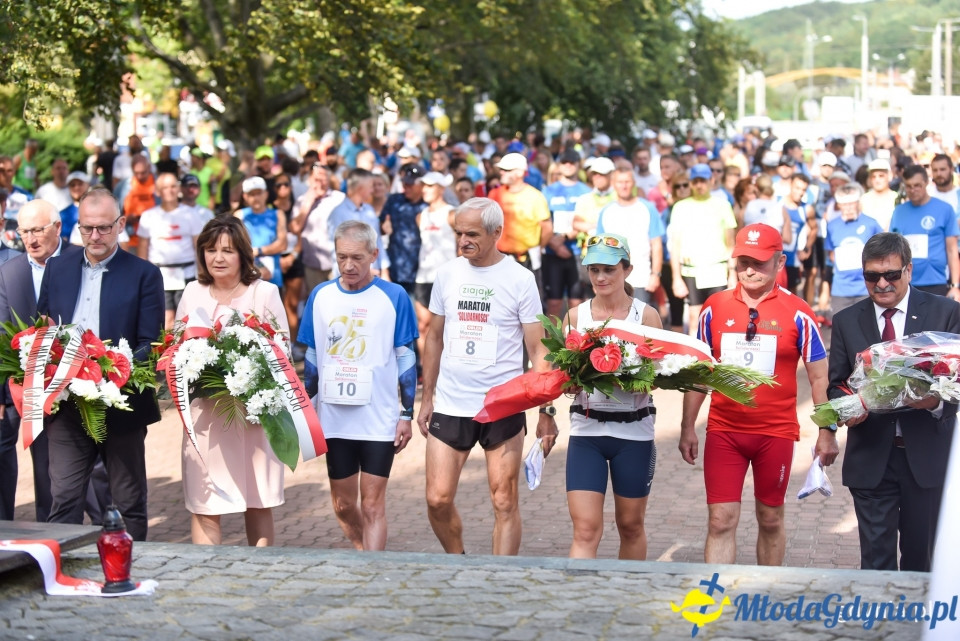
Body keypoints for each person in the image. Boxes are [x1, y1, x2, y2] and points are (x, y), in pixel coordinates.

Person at [678, 223, 829, 566]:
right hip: (724, 431)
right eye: (743, 260)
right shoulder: (713, 308)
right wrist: (688, 426)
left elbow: (819, 377)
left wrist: (826, 430)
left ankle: (765, 600)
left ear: (780, 262)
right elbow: (700, 375)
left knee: (771, 519)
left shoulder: (800, 312)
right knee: (720, 521)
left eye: (760, 262)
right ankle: (714, 603)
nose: (750, 270)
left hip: (774, 433)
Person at [416, 197, 559, 555]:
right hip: (451, 402)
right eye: (458, 233)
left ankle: (499, 579)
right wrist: (428, 397)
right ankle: (458, 561)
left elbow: (538, 349)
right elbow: (433, 337)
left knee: (504, 500)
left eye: (472, 234)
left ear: (497, 233)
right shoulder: (448, 274)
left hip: (503, 405)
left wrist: (546, 412)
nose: (462, 240)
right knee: (437, 498)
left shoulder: (520, 279)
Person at [822, 232, 960, 571]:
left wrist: (933, 402)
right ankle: (879, 622)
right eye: (872, 276)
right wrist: (846, 410)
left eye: (891, 275)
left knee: (921, 559)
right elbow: (837, 383)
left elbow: (956, 382)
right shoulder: (846, 320)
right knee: (876, 562)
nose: (882, 283)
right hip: (871, 457)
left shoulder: (945, 313)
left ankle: (915, 623)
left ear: (909, 270)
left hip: (926, 458)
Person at [37, 187, 164, 541]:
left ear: (121, 224)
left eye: (104, 227)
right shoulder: (57, 268)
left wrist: (108, 374)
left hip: (120, 402)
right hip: (65, 402)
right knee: (63, 498)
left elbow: (149, 345)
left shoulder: (144, 274)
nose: (95, 236)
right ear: (77, 227)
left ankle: (130, 574)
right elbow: (42, 326)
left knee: (128, 501)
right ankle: (61, 579)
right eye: (87, 228)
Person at [298, 221, 418, 550]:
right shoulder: (321, 295)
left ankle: (372, 574)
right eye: (342, 258)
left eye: (357, 258)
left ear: (374, 255)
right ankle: (363, 551)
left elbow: (406, 358)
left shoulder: (394, 296)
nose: (349, 266)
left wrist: (406, 413)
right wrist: (305, 410)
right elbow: (311, 356)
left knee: (373, 505)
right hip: (334, 420)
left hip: (378, 418)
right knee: (343, 505)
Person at [175, 216, 289, 546]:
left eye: (227, 250)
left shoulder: (264, 293)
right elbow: (177, 348)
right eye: (210, 250)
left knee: (257, 501)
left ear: (243, 254)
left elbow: (281, 353)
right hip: (206, 421)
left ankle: (259, 576)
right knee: (205, 502)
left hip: (253, 418)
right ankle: (206, 582)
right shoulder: (192, 292)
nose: (218, 258)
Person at [564, 234, 661, 560]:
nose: (601, 277)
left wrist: (638, 380)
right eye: (594, 270)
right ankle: (581, 605)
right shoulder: (576, 317)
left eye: (609, 269)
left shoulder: (645, 317)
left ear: (627, 269)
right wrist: (572, 383)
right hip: (587, 433)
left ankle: (626, 598)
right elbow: (563, 378)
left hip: (633, 433)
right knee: (586, 529)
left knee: (630, 525)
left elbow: (659, 377)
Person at [0, 200, 84, 522]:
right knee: (43, 475)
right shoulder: (9, 272)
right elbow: (1, 335)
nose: (31, 239)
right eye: (25, 232)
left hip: (79, 383)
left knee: (94, 479)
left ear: (58, 227)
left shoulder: (82, 260)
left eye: (38, 230)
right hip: (26, 391)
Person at [667, 163, 737, 336]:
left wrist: (733, 273)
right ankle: (695, 362)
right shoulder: (680, 207)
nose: (699, 185)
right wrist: (676, 278)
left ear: (711, 181)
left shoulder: (722, 205)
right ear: (691, 182)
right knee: (694, 319)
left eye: (703, 181)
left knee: (720, 319)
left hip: (718, 268)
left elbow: (731, 243)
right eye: (696, 181)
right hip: (692, 270)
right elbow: (675, 245)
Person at [137, 173, 207, 328]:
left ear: (179, 189)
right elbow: (143, 246)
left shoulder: (191, 214)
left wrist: (203, 274)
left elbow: (198, 245)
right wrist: (141, 276)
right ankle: (167, 352)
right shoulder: (149, 216)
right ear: (158, 191)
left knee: (187, 318)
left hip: (187, 273)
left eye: (173, 186)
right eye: (165, 187)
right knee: (165, 318)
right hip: (160, 274)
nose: (170, 191)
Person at [889, 165, 960, 300]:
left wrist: (955, 285)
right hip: (906, 282)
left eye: (917, 185)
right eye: (909, 186)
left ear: (926, 183)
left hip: (936, 281)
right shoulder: (898, 212)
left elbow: (952, 249)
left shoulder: (944, 209)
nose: (913, 190)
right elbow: (893, 249)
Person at [595, 169, 664, 304]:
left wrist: (655, 275)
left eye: (627, 181)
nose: (624, 186)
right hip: (611, 280)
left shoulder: (647, 208)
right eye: (620, 182)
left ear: (634, 183)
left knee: (641, 322)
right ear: (613, 184)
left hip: (641, 277)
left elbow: (656, 244)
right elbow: (600, 249)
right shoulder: (606, 211)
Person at [542, 150, 591, 319]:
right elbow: (542, 221)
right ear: (559, 165)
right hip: (552, 252)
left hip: (577, 252)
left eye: (572, 162)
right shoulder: (548, 191)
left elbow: (589, 220)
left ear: (578, 164)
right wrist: (554, 244)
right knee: (553, 302)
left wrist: (565, 236)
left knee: (576, 302)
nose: (568, 165)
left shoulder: (586, 191)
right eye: (564, 162)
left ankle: (575, 344)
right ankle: (551, 343)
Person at [414, 172, 457, 359]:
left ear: (441, 188)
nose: (425, 189)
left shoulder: (452, 213)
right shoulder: (420, 216)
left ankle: (445, 372)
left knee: (446, 329)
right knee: (422, 326)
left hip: (447, 278)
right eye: (423, 185)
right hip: (423, 276)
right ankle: (427, 371)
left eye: (430, 186)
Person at [824, 183, 883, 315]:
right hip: (840, 290)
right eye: (845, 204)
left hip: (866, 288)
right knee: (841, 330)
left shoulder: (871, 224)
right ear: (839, 205)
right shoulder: (832, 226)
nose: (849, 208)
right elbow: (830, 258)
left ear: (858, 203)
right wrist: (825, 288)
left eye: (852, 203)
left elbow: (882, 254)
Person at [290, 163, 346, 294]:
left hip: (336, 263)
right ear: (309, 179)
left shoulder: (339, 198)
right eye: (316, 179)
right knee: (317, 303)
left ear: (329, 179)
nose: (319, 183)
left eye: (323, 179)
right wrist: (308, 203)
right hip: (312, 264)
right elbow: (294, 228)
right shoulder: (302, 200)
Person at [381, 164, 427, 297]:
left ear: (422, 185)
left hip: (421, 272)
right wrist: (383, 227)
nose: (405, 187)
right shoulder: (394, 200)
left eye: (410, 184)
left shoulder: (429, 204)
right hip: (395, 268)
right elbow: (380, 226)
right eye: (404, 183)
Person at [235, 176, 287, 289]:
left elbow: (282, 244)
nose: (256, 197)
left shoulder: (278, 214)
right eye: (251, 194)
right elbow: (237, 247)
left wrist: (257, 251)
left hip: (273, 278)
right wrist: (257, 264)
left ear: (266, 194)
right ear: (245, 197)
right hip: (247, 278)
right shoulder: (240, 216)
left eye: (259, 193)